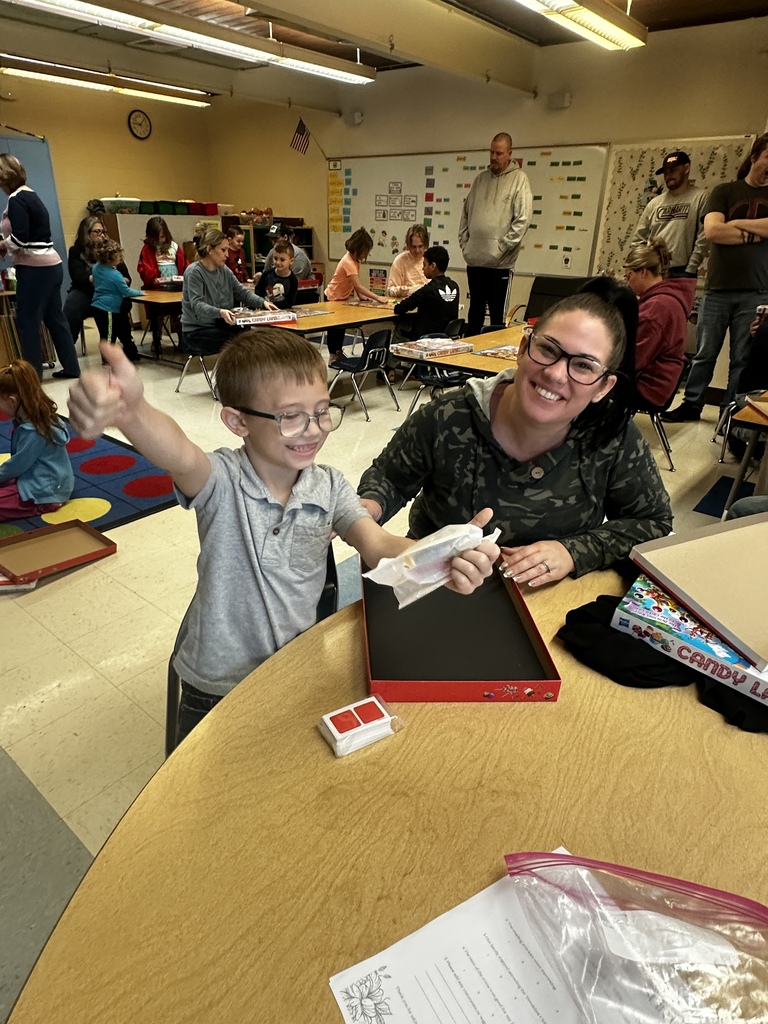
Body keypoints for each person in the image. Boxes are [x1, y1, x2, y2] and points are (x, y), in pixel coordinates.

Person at [67, 330, 500, 742]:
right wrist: (132, 411)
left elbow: (378, 543)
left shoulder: (329, 485)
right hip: (217, 679)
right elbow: (179, 453)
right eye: (291, 416)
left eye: (321, 411)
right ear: (238, 421)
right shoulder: (223, 480)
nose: (312, 429)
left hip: (294, 667)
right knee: (205, 785)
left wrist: (443, 550)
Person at [358, 289, 673, 586]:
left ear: (603, 387)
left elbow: (653, 523)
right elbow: (388, 479)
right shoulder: (447, 416)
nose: (556, 374)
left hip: (546, 602)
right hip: (438, 586)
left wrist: (574, 551)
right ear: (523, 349)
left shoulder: (611, 436)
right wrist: (368, 506)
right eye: (548, 349)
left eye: (583, 365)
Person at [663, 133, 768, 423]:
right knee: (704, 353)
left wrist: (734, 224)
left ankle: (729, 412)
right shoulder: (724, 191)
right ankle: (691, 404)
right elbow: (712, 232)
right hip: (718, 290)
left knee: (741, 359)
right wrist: (755, 232)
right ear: (756, 155)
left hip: (758, 291)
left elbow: (725, 228)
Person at [0, 154, 80, 381]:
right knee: (55, 318)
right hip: (52, 265)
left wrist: (3, 245)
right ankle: (72, 367)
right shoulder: (32, 195)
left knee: (27, 321)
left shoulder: (16, 199)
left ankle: (32, 375)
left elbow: (21, 239)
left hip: (34, 269)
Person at [458, 132, 533, 336]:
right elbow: (465, 215)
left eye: (499, 153)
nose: (493, 157)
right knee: (474, 314)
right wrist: (466, 245)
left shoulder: (519, 179)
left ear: (509, 154)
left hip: (500, 264)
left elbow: (523, 219)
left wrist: (502, 247)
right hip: (475, 261)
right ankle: (469, 361)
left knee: (497, 318)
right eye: (491, 152)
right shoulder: (480, 179)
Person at [181, 228, 277, 354]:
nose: (227, 254)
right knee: (240, 344)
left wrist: (262, 303)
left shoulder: (224, 270)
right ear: (210, 249)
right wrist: (220, 312)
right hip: (197, 331)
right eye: (223, 250)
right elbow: (197, 305)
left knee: (255, 338)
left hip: (220, 325)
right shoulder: (194, 272)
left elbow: (241, 292)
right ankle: (240, 373)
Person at [0, 359, 74, 521]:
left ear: (12, 401)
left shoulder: (32, 431)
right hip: (52, 482)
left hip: (44, 493)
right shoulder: (43, 418)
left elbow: (17, 465)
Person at [623, 238, 693, 408]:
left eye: (629, 275)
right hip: (660, 384)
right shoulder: (668, 299)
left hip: (648, 388)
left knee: (584, 383)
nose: (627, 282)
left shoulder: (655, 308)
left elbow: (632, 361)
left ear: (643, 272)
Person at [628, 151, 708, 281]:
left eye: (674, 170)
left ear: (686, 168)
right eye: (666, 172)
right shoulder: (654, 203)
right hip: (653, 272)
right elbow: (638, 239)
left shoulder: (700, 197)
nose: (669, 176)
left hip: (683, 271)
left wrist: (690, 269)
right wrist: (642, 267)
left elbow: (703, 237)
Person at [63, 216, 133, 349]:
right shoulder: (76, 251)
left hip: (109, 292)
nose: (102, 236)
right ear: (87, 233)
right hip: (85, 291)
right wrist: (107, 279)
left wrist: (118, 282)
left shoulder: (111, 249)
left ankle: (126, 344)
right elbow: (78, 277)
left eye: (103, 232)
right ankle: (67, 350)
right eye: (97, 232)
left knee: (121, 303)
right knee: (71, 308)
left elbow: (126, 276)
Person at [324, 227, 387, 357]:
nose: (366, 255)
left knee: (341, 327)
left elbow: (354, 283)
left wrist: (362, 297)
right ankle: (332, 354)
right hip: (332, 298)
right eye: (365, 251)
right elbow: (359, 286)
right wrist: (378, 297)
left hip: (342, 299)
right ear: (359, 249)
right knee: (334, 329)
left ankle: (338, 351)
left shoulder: (355, 261)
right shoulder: (348, 262)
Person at [137, 216, 188, 357]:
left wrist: (182, 277)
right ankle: (157, 340)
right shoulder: (147, 249)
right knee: (157, 314)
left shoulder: (174, 247)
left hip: (175, 287)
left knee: (178, 312)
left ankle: (182, 339)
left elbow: (184, 264)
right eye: (159, 237)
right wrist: (154, 277)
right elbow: (143, 269)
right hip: (156, 288)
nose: (162, 239)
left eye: (164, 236)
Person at [91, 238, 144, 363]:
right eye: (118, 255)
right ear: (111, 258)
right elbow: (126, 292)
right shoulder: (116, 275)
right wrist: (140, 293)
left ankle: (106, 360)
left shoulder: (96, 268)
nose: (121, 258)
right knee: (110, 337)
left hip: (96, 306)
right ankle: (107, 361)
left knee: (104, 335)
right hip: (108, 308)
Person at [392, 245, 459, 340]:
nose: (423, 269)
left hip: (426, 341)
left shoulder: (429, 290)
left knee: (399, 328)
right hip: (447, 340)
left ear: (433, 266)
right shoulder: (454, 286)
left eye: (424, 265)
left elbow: (400, 308)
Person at [386, 224, 429, 298]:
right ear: (408, 245)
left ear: (425, 245)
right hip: (406, 304)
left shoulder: (430, 260)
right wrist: (399, 291)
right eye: (414, 247)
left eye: (420, 246)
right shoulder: (400, 261)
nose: (417, 250)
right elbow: (390, 290)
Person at [254, 240, 298, 309]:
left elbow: (289, 302)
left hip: (282, 312)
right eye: (275, 258)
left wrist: (273, 305)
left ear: (291, 261)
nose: (278, 262)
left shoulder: (293, 280)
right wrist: (263, 303)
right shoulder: (267, 274)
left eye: (282, 260)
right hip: (264, 310)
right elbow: (258, 291)